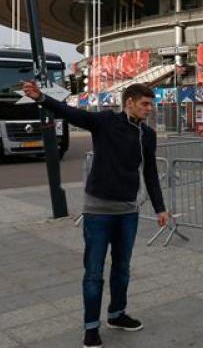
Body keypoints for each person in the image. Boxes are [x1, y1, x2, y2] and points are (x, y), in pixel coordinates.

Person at [21, 81, 170, 348]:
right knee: (93, 272)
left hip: (128, 212)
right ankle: (91, 327)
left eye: (151, 104)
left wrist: (160, 208)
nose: (150, 109)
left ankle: (116, 314)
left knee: (122, 268)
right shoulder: (104, 122)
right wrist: (41, 97)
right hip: (98, 212)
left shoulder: (147, 135)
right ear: (130, 102)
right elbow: (72, 114)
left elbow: (150, 173)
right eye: (145, 104)